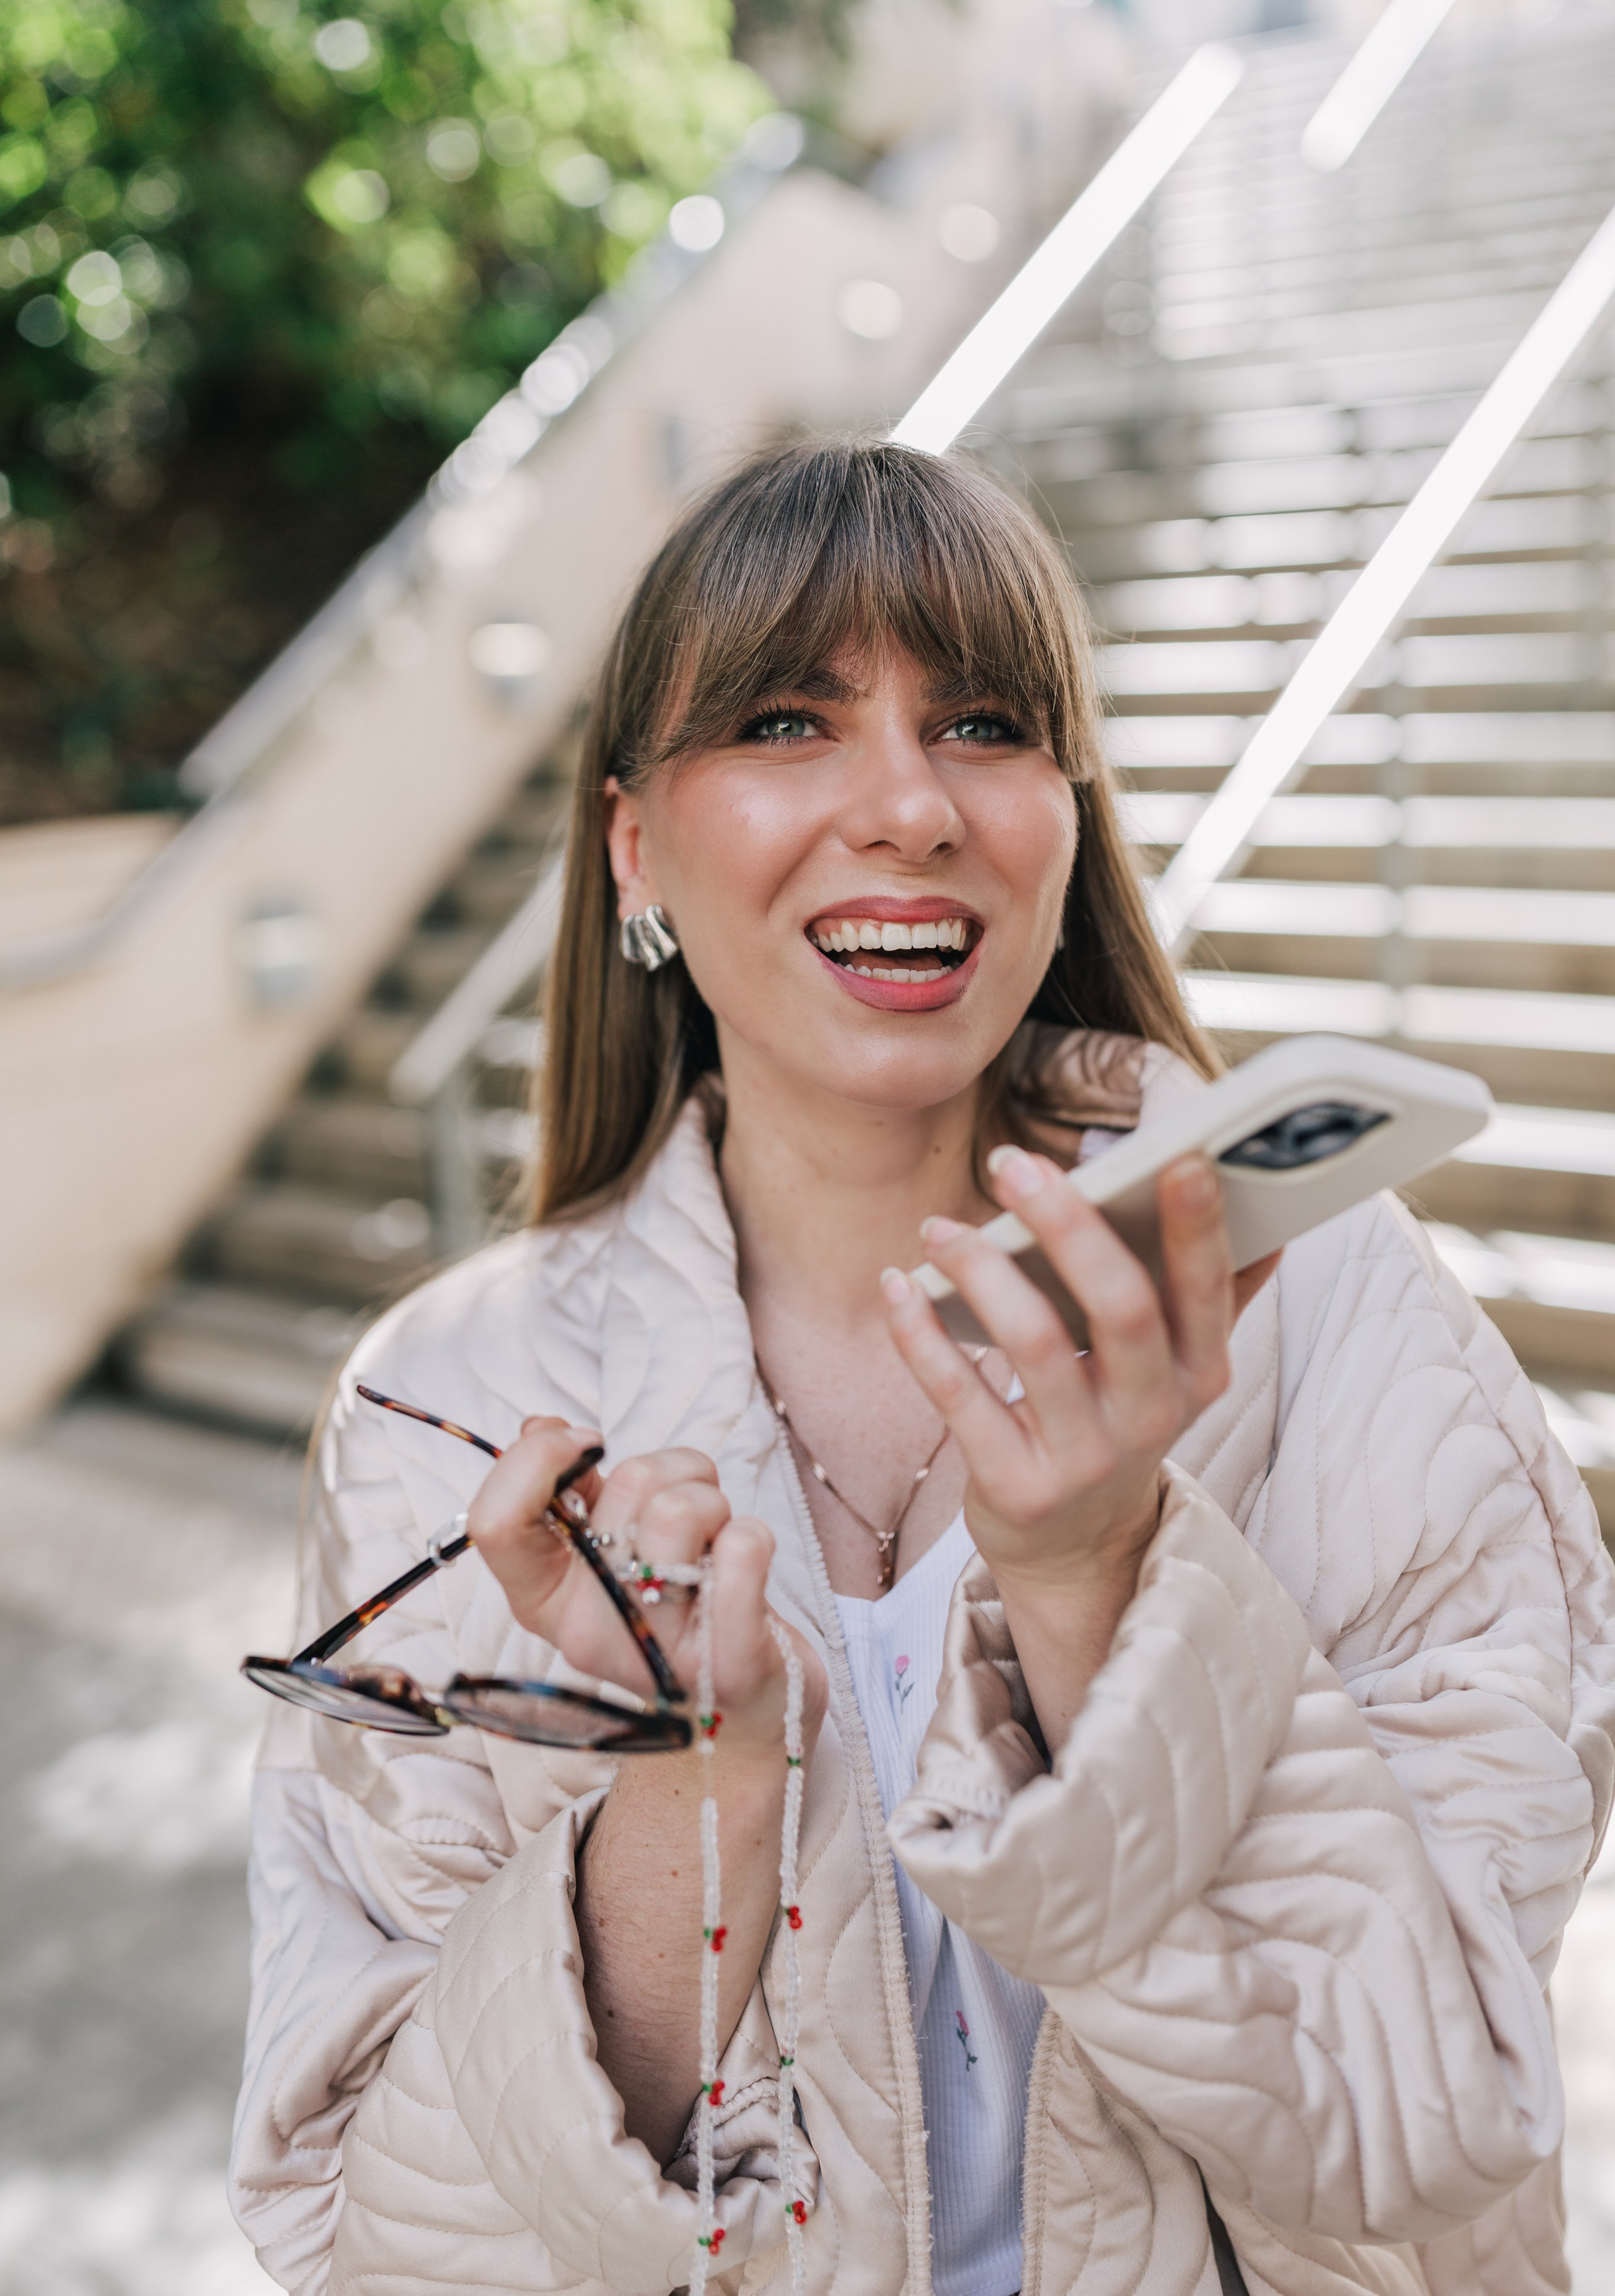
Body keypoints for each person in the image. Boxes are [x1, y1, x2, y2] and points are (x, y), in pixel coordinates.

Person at [230, 439, 1615, 2296]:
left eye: (982, 723)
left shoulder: (1329, 1306)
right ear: (634, 842)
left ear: (1067, 806)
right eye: (792, 722)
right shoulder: (444, 1408)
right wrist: (688, 1794)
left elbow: (1427, 2128)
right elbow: (368, 2239)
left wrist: (1100, 1586)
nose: (907, 807)